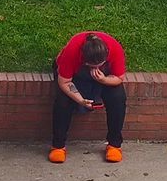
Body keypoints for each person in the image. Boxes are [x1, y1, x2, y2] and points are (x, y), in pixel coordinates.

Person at [49, 31, 128, 165]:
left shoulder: (115, 49)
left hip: (105, 78)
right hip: (73, 77)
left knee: (118, 97)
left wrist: (103, 79)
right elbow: (64, 82)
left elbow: (119, 78)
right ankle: (58, 146)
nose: (96, 68)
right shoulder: (72, 51)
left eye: (99, 65)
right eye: (92, 66)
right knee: (63, 101)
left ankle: (114, 145)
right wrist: (80, 100)